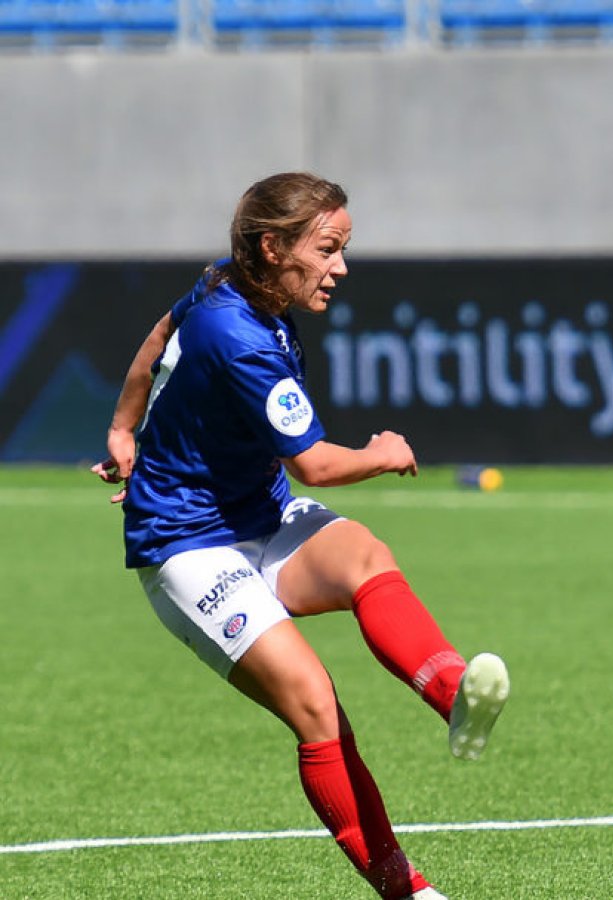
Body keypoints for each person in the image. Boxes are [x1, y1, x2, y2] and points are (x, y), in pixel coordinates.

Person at [92, 172, 512, 900]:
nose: (340, 268)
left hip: (257, 515)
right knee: (317, 705)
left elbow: (157, 338)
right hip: (187, 547)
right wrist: (384, 452)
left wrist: (123, 427)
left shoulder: (228, 289)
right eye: (327, 249)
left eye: (342, 248)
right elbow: (316, 463)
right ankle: (407, 891)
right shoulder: (239, 335)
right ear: (273, 247)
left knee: (363, 556)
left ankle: (455, 698)